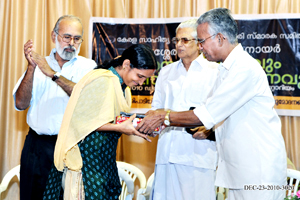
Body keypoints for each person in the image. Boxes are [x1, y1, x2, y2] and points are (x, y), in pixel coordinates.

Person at [137, 8, 287, 200]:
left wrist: (163, 116)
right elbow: (211, 115)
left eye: (202, 41)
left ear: (219, 38)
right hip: (238, 170)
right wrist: (207, 130)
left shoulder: (244, 68)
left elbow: (203, 115)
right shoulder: (226, 69)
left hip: (257, 171)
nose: (200, 46)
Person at [42, 44, 158, 200]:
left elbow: (107, 119)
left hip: (102, 161)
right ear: (126, 65)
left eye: (145, 79)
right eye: (140, 76)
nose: (141, 82)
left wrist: (136, 126)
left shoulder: (121, 86)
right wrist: (120, 128)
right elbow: (82, 121)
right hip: (86, 164)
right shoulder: (104, 80)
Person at [12, 15, 97, 200]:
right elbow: (20, 104)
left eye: (77, 38)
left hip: (71, 149)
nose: (71, 43)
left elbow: (84, 99)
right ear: (54, 36)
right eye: (67, 37)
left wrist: (53, 74)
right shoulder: (38, 63)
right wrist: (31, 69)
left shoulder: (88, 67)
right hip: (37, 147)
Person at [149, 19, 218, 200]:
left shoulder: (215, 71)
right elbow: (155, 109)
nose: (179, 45)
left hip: (198, 154)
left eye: (185, 40)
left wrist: (211, 129)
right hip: (166, 153)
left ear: (200, 43)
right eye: (177, 40)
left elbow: (223, 113)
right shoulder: (166, 72)